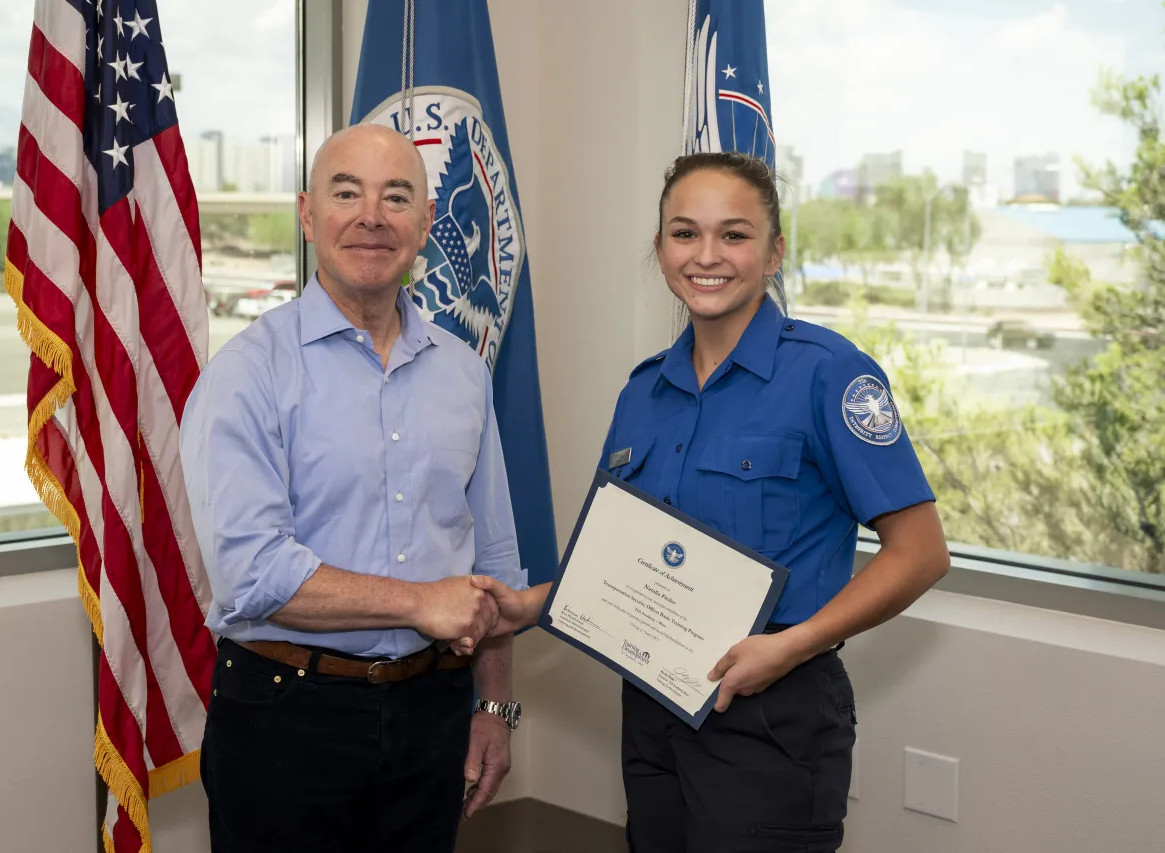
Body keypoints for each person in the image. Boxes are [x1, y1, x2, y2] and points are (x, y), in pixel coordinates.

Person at [472, 151, 951, 852]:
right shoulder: (643, 392)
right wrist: (530, 603)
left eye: (734, 234)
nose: (707, 255)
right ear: (661, 247)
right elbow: (626, 565)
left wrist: (789, 646)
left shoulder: (827, 372)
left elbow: (921, 552)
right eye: (684, 233)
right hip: (654, 705)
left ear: (775, 250)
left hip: (773, 712)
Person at [180, 123, 526, 853]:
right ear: (308, 216)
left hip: (434, 713)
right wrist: (420, 601)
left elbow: (492, 565)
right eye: (347, 193)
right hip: (285, 718)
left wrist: (493, 704)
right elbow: (253, 574)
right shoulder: (248, 373)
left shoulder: (464, 373)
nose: (372, 215)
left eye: (396, 196)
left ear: (427, 224)